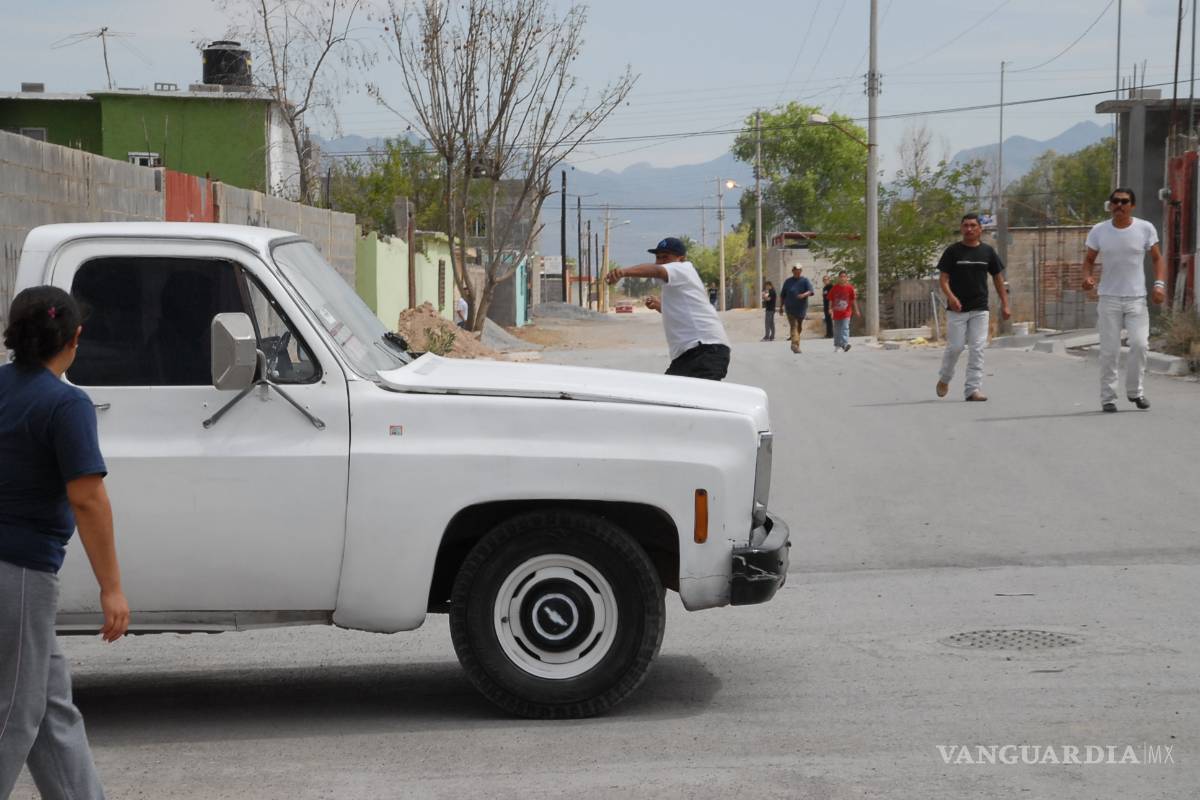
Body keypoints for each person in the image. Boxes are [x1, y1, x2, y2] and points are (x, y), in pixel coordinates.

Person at [0, 286, 130, 800]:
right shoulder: (66, 404)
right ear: (74, 338)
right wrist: (112, 589)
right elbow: (88, 500)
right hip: (20, 574)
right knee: (13, 715)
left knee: (50, 708)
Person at [1083, 187, 1167, 412]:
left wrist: (1159, 285)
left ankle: (1135, 392)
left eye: (1124, 201)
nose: (1119, 205)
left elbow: (1158, 259)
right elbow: (1089, 259)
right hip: (1109, 297)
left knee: (1140, 344)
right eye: (1115, 202)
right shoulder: (1099, 231)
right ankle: (1108, 398)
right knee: (1109, 350)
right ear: (1110, 205)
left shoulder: (1145, 228)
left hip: (1136, 298)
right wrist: (1087, 277)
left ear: (1132, 206)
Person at [606, 237, 731, 380]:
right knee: (670, 395)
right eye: (658, 258)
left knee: (691, 399)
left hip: (705, 349)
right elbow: (683, 314)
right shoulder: (676, 282)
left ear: (681, 258)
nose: (660, 262)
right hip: (691, 354)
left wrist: (623, 272)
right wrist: (660, 307)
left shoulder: (683, 268)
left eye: (666, 257)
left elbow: (658, 271)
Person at [935, 213, 1011, 402]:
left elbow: (998, 279)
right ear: (961, 228)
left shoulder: (988, 252)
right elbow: (943, 279)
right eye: (965, 226)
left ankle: (972, 389)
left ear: (980, 229)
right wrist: (951, 297)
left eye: (972, 226)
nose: (969, 229)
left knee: (977, 347)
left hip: (980, 308)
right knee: (956, 347)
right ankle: (945, 378)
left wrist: (1005, 304)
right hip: (957, 310)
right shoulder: (953, 251)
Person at [778, 266, 815, 354]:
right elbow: (783, 295)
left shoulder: (805, 280)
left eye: (798, 270)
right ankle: (794, 344)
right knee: (794, 325)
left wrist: (803, 295)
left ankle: (796, 343)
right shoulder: (788, 281)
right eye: (795, 270)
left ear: (801, 271)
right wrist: (781, 307)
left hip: (801, 308)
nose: (797, 272)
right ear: (792, 271)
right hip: (790, 308)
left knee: (799, 327)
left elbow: (810, 291)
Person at [827, 271, 860, 351]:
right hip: (837, 312)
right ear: (838, 278)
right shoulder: (834, 288)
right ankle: (837, 345)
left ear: (846, 278)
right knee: (837, 329)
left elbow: (853, 300)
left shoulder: (850, 288)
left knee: (845, 327)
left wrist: (856, 310)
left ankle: (845, 344)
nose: (842, 278)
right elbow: (831, 300)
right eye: (841, 276)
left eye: (844, 276)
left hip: (846, 312)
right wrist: (830, 309)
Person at [821, 274, 834, 338]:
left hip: (830, 306)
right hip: (825, 306)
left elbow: (832, 297)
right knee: (827, 320)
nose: (825, 281)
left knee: (830, 320)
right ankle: (828, 333)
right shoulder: (825, 288)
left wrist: (831, 307)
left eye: (826, 279)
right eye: (824, 280)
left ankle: (831, 334)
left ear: (829, 280)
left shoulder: (831, 287)